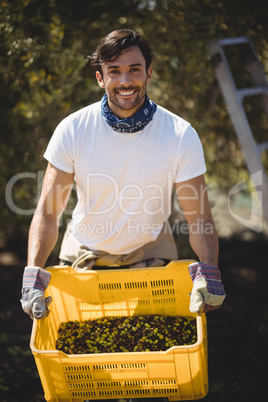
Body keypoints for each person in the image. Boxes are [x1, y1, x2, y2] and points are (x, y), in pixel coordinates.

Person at [21, 29, 225, 320]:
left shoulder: (180, 134)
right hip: (83, 261)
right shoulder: (73, 129)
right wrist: (32, 273)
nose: (126, 81)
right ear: (100, 78)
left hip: (152, 262)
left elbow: (199, 218)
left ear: (149, 74)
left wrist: (209, 269)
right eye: (114, 71)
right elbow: (48, 213)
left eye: (134, 70)